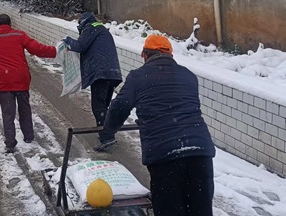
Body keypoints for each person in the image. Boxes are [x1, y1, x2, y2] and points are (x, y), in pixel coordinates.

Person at [94, 34, 215, 216]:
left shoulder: (138, 77)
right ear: (170, 55)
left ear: (144, 55)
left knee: (170, 211)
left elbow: (119, 108)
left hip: (165, 156)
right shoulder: (189, 76)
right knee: (200, 211)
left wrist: (108, 130)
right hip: (200, 154)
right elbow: (178, 105)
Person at [0, 14, 56, 153]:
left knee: (8, 113)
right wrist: (55, 51)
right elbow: (37, 48)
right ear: (10, 23)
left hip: (4, 81)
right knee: (24, 109)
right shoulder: (19, 35)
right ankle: (28, 136)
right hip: (20, 78)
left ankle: (10, 143)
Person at [63, 12, 123, 130]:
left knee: (98, 106)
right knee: (104, 106)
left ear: (83, 23)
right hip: (112, 73)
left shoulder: (90, 27)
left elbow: (80, 46)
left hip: (101, 74)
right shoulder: (101, 29)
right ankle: (108, 131)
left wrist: (67, 40)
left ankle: (106, 135)